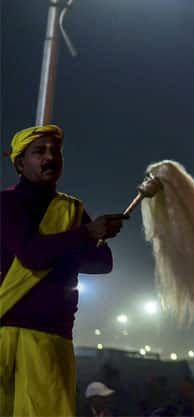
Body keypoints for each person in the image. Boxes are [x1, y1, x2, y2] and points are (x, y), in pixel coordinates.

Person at [0, 125, 125, 416]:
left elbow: (103, 262)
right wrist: (84, 235)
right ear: (20, 163)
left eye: (55, 151)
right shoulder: (6, 204)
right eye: (39, 151)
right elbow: (31, 254)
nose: (49, 157)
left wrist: (80, 239)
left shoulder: (71, 209)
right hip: (6, 332)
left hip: (51, 338)